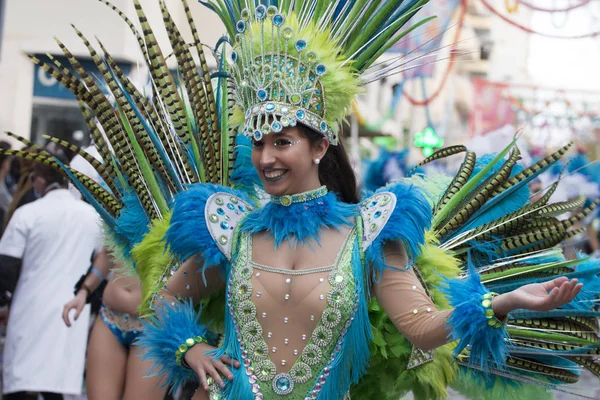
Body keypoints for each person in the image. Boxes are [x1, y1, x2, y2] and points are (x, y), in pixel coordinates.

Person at [4, 1, 600, 400]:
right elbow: (160, 302)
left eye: (282, 142)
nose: (265, 158)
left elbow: (422, 329)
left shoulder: (372, 231)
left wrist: (502, 303)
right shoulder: (229, 229)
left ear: (319, 145)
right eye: (258, 142)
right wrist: (190, 348)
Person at [0, 158, 102, 399]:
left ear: (41, 180)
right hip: (74, 310)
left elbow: (6, 266)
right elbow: (104, 263)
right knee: (58, 380)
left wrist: (4, 302)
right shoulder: (91, 217)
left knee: (22, 380)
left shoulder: (28, 213)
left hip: (29, 309)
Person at [62, 249, 168, 400]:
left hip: (155, 328)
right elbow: (108, 253)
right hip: (109, 318)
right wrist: (84, 290)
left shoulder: (192, 224)